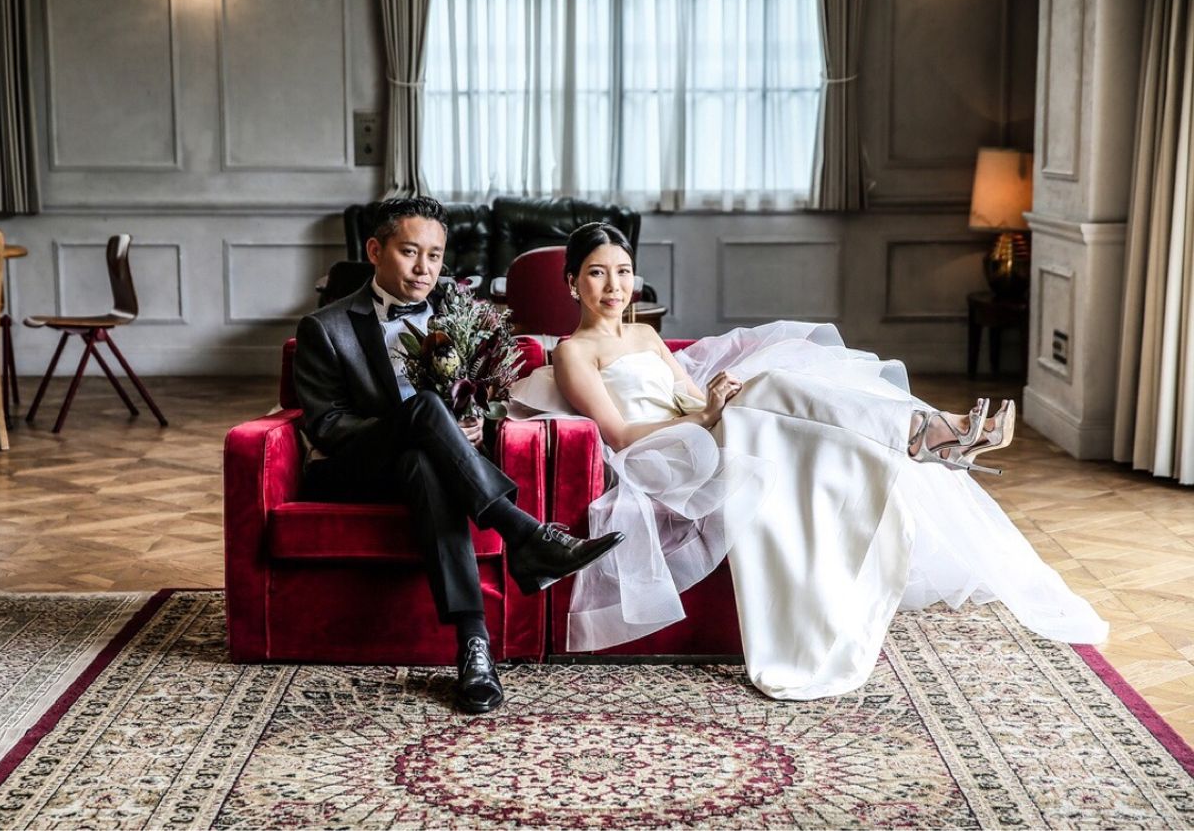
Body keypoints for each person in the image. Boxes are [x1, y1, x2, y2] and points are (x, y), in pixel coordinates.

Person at [511, 222, 1107, 701]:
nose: (614, 286)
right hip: (659, 454)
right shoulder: (574, 352)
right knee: (773, 387)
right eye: (597, 273)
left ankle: (921, 434)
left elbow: (689, 395)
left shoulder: (644, 337)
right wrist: (706, 417)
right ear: (572, 284)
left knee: (774, 383)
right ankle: (929, 434)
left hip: (698, 425)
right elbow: (619, 434)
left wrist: (715, 402)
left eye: (622, 271)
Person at [293, 198, 624, 714]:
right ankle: (524, 533)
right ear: (375, 250)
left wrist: (473, 422)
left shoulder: (458, 309)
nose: (424, 268)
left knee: (424, 462)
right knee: (425, 413)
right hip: (355, 467)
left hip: (428, 468)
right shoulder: (325, 326)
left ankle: (474, 646)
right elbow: (328, 426)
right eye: (409, 252)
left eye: (435, 255)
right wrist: (423, 425)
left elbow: (490, 395)